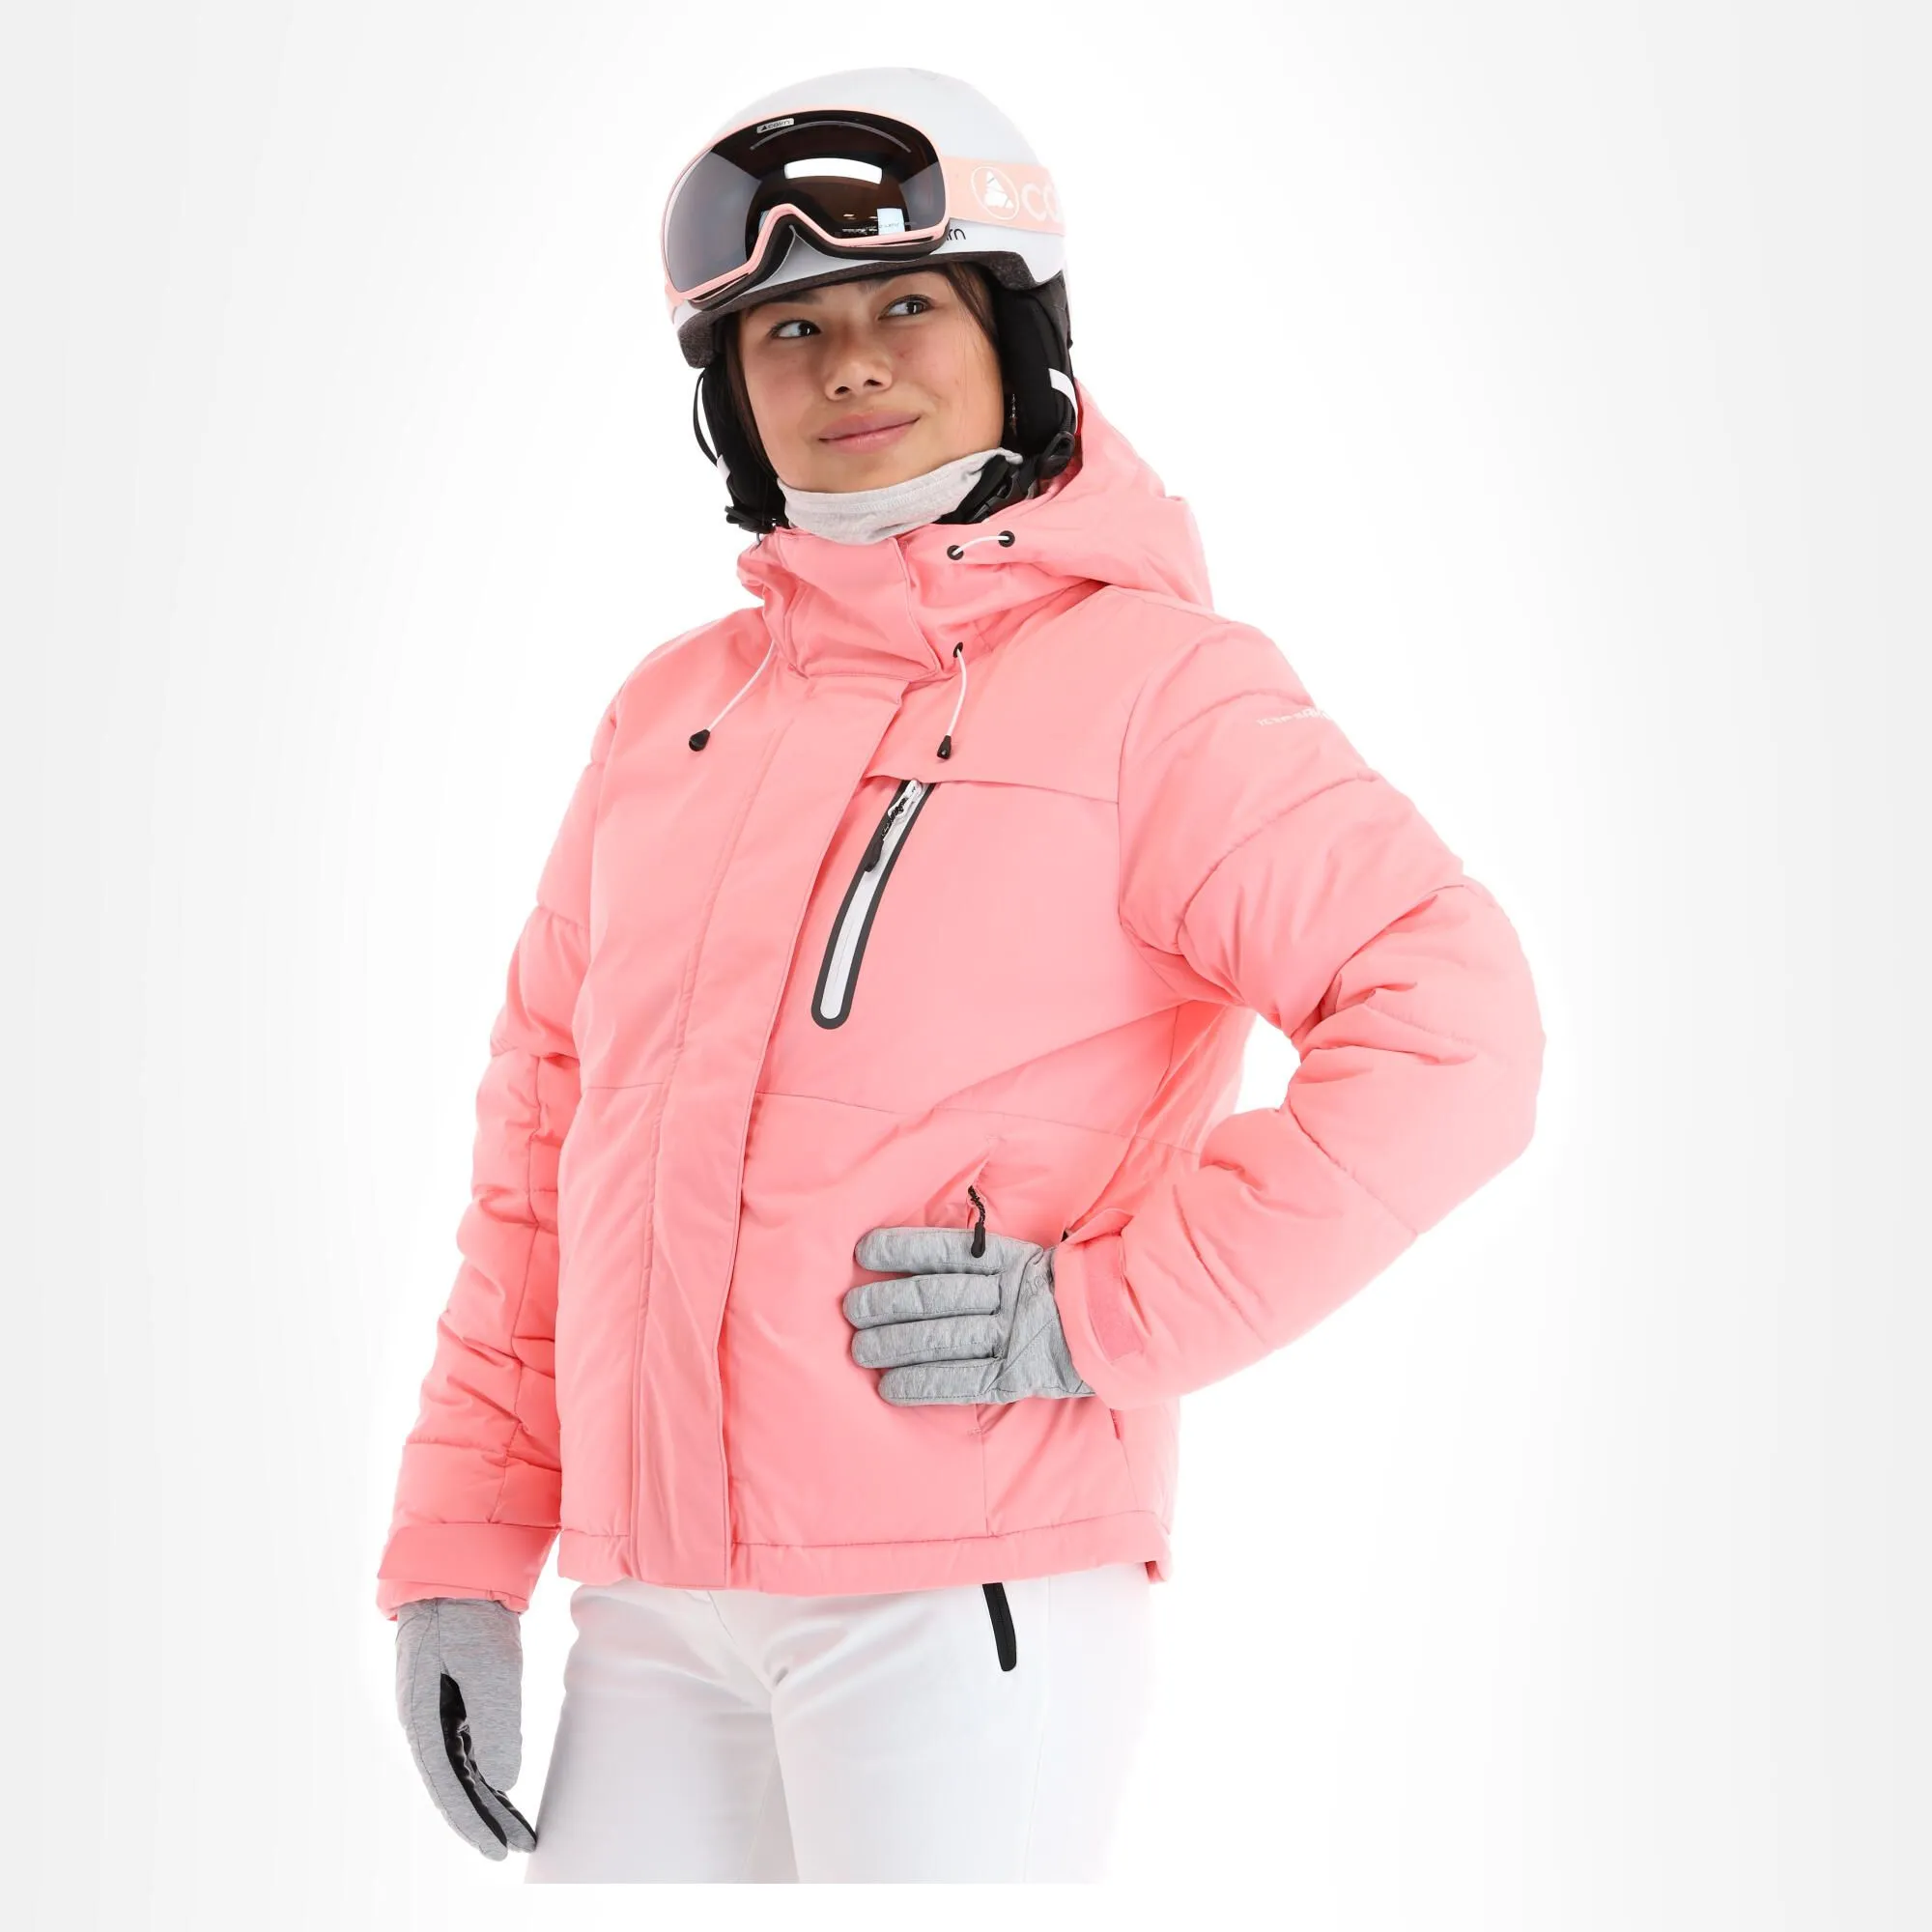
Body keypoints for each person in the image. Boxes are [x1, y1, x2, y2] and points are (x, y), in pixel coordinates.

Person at [378, 65, 1547, 1884]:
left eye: (906, 305)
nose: (849, 363)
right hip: (654, 1604)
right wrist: (462, 1549)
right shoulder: (668, 714)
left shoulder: (1158, 689)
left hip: (966, 1599)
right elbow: (540, 1156)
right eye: (787, 329)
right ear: (730, 394)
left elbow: (1452, 1023)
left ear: (1016, 337)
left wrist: (1103, 1317)